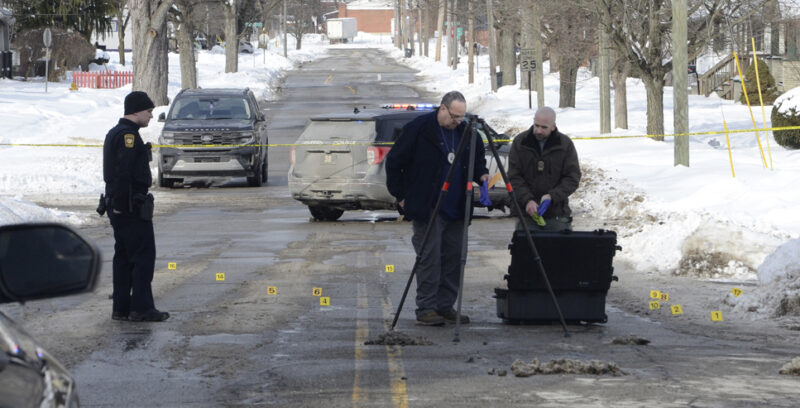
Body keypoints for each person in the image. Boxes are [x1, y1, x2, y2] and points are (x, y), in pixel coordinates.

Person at [386, 91, 490, 326]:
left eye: (461, 117)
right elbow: (394, 162)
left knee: (454, 258)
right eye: (454, 116)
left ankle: (445, 306)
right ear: (442, 108)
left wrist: (482, 175)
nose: (458, 121)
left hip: (457, 207)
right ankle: (427, 307)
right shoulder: (419, 129)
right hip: (428, 206)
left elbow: (477, 163)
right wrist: (401, 196)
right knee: (429, 259)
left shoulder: (468, 134)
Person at [103, 91, 169, 322]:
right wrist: (122, 205)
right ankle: (141, 307)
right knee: (142, 257)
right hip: (130, 206)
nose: (151, 116)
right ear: (136, 111)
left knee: (123, 257)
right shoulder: (127, 136)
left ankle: (121, 308)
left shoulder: (117, 132)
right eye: (149, 111)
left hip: (122, 204)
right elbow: (122, 173)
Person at [507, 106, 581, 231]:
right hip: (526, 214)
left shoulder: (565, 145)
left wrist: (552, 197)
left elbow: (572, 177)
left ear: (553, 126)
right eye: (536, 125)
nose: (539, 131)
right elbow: (514, 176)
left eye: (544, 127)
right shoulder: (520, 142)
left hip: (556, 213)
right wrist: (527, 200)